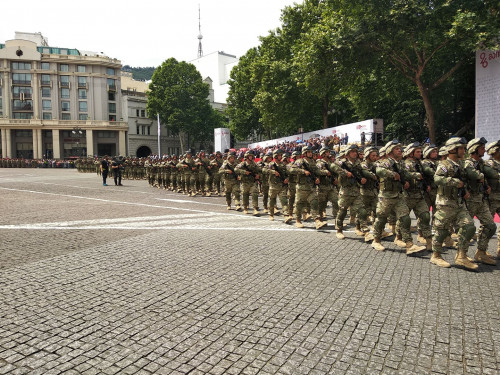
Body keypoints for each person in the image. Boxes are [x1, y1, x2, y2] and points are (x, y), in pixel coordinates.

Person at [430, 137, 477, 269]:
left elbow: (464, 180)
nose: (463, 150)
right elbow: (437, 178)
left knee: (469, 227)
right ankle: (436, 255)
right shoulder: (444, 165)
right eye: (461, 148)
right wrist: (455, 182)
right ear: (452, 149)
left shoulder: (461, 164)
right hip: (446, 203)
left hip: (459, 203)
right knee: (442, 230)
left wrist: (465, 191)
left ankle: (461, 256)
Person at [464, 137, 496, 265]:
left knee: (490, 225)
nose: (484, 150)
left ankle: (481, 252)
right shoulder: (468, 163)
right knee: (468, 228)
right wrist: (484, 175)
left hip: (481, 200)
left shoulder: (481, 163)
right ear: (474, 150)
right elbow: (474, 175)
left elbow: (492, 173)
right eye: (482, 148)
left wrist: (487, 183)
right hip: (470, 200)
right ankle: (462, 254)